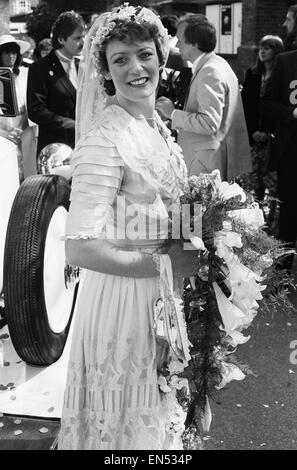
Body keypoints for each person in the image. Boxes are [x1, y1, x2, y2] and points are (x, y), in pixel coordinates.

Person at [58, 4, 196, 450]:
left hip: (159, 296)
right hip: (123, 303)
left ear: (161, 56)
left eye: (144, 54)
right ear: (105, 71)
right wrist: (165, 264)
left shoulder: (152, 122)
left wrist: (202, 237)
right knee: (123, 432)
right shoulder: (104, 138)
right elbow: (78, 249)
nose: (136, 68)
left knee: (156, 421)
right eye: (121, 59)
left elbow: (174, 200)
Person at [156, 13, 252, 181]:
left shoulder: (210, 71)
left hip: (205, 165)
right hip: (208, 160)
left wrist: (172, 113)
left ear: (195, 43)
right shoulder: (216, 64)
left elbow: (209, 123)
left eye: (181, 40)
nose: (177, 45)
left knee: (193, 209)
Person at [27, 11, 85, 156]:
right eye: (77, 38)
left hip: (84, 148)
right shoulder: (39, 68)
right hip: (55, 151)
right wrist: (74, 126)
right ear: (61, 39)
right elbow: (36, 111)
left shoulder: (83, 66)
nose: (82, 42)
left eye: (83, 37)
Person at [262, 44, 297, 273]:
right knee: (289, 216)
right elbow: (265, 104)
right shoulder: (286, 61)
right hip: (292, 152)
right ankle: (282, 274)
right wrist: (291, 113)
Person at [241, 35, 283, 202]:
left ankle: (271, 216)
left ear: (277, 51)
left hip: (272, 137)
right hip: (252, 136)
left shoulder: (281, 75)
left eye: (268, 48)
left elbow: (277, 107)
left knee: (271, 180)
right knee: (251, 179)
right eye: (260, 48)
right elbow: (246, 106)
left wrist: (267, 131)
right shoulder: (253, 74)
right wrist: (253, 131)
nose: (262, 51)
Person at [0, 34, 37, 180]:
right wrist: (4, 132)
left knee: (26, 177)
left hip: (25, 133)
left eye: (14, 52)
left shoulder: (26, 74)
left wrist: (21, 129)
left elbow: (33, 104)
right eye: (7, 52)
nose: (11, 56)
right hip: (2, 134)